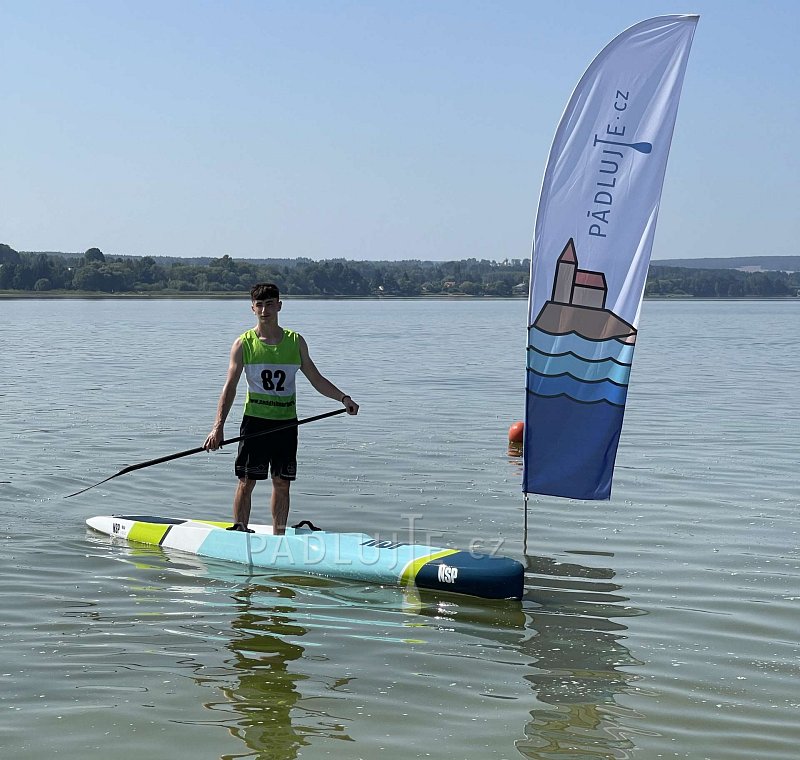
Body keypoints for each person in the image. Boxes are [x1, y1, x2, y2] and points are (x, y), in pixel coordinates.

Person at [203, 283, 358, 534]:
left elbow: (317, 379)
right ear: (253, 308)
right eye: (260, 305)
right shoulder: (243, 344)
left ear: (279, 306)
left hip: (286, 424)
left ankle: (280, 537)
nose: (265, 310)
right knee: (247, 481)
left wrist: (343, 398)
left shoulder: (295, 342)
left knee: (282, 483)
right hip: (255, 422)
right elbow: (229, 388)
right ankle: (240, 531)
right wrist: (217, 428)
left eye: (270, 304)